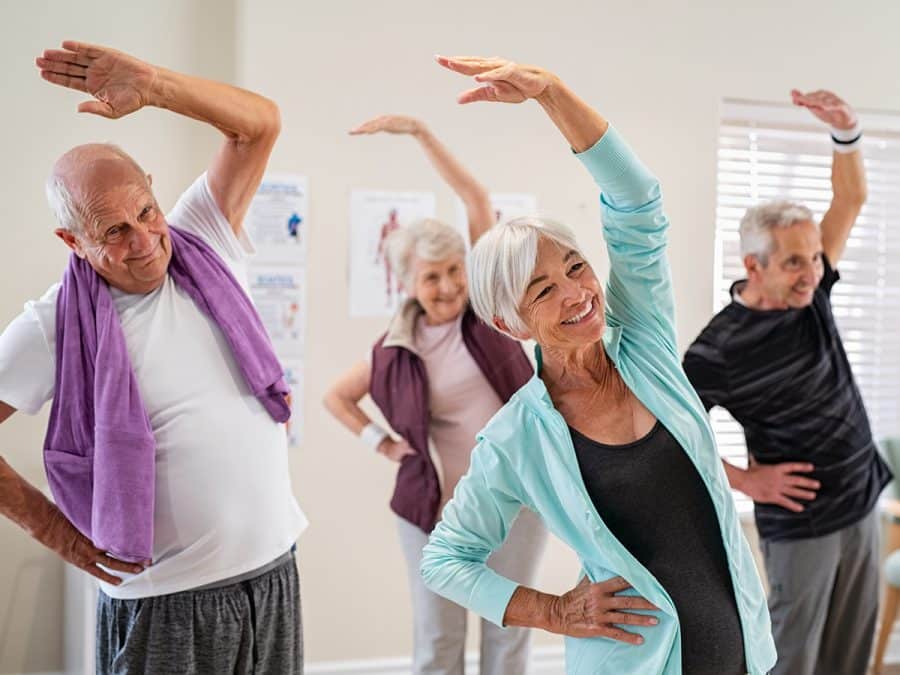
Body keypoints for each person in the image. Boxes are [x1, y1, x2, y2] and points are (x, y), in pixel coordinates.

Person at [420, 55, 776, 675]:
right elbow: (446, 560)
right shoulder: (517, 436)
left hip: (740, 645)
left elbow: (636, 198)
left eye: (575, 267)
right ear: (512, 324)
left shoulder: (645, 344)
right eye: (541, 290)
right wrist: (554, 612)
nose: (576, 293)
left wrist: (551, 93)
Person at [0, 41, 306, 673]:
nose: (145, 243)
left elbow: (260, 125)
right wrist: (55, 530)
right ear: (72, 240)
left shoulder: (205, 238)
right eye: (114, 231)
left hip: (273, 574)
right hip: (165, 603)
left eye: (146, 212)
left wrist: (155, 85)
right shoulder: (53, 323)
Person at [324, 114, 547, 675]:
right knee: (437, 643)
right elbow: (336, 397)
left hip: (515, 502)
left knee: (508, 633)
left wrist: (422, 136)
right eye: (432, 277)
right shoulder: (394, 349)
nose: (447, 286)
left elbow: (475, 199)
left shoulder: (490, 316)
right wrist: (381, 441)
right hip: (434, 514)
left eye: (454, 271)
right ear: (407, 283)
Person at [683, 89, 889, 675]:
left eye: (815, 259)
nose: (812, 274)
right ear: (754, 266)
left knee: (851, 652)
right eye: (795, 262)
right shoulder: (717, 350)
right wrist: (747, 480)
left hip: (861, 496)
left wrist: (846, 130)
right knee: (793, 657)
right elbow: (669, 435)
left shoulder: (812, 293)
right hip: (802, 524)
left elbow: (850, 198)